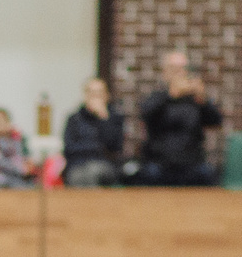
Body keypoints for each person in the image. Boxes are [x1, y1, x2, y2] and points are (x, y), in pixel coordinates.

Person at [131, 51, 220, 187]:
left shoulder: (195, 100)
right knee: (146, 175)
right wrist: (171, 94)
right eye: (174, 69)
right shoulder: (157, 96)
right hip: (159, 163)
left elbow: (215, 121)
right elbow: (145, 114)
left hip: (192, 163)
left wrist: (203, 99)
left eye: (183, 68)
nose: (179, 73)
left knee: (208, 174)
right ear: (165, 72)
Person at [60, 77, 125, 186]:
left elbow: (115, 147)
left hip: (104, 166)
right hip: (78, 166)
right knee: (79, 176)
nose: (96, 97)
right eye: (92, 93)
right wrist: (94, 148)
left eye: (99, 93)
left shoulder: (114, 118)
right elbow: (69, 148)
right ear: (85, 96)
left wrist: (104, 119)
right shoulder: (74, 119)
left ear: (107, 96)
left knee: (93, 172)